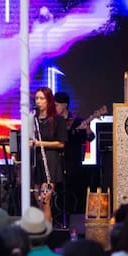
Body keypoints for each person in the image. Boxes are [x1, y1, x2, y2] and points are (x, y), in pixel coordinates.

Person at [54, 91, 96, 221]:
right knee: (59, 192)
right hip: (57, 162)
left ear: (65, 105)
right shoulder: (54, 121)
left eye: (57, 105)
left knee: (74, 191)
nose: (55, 107)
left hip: (73, 162)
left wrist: (87, 129)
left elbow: (91, 137)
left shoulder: (78, 121)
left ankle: (73, 218)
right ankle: (59, 218)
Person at [30, 87, 67, 223]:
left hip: (50, 162)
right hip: (36, 162)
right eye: (36, 98)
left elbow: (61, 143)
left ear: (48, 100)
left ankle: (47, 232)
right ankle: (41, 230)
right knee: (38, 201)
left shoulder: (57, 119)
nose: (38, 101)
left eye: (42, 98)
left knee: (45, 200)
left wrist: (40, 143)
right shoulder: (33, 119)